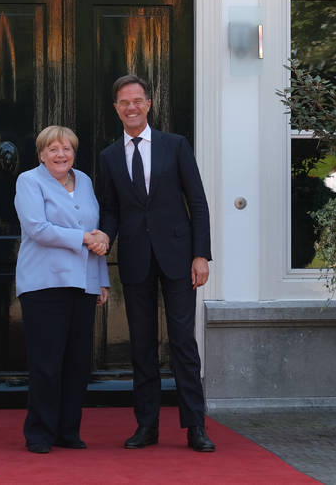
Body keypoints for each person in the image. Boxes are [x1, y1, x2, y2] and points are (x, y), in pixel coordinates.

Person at [97, 74, 215, 453]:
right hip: (134, 260)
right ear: (116, 109)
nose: (131, 107)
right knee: (142, 346)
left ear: (148, 104)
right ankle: (146, 426)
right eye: (124, 102)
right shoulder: (108, 157)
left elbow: (197, 201)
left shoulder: (175, 146)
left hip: (179, 258)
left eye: (137, 100)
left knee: (183, 342)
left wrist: (201, 255)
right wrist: (102, 242)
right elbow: (111, 212)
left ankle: (195, 426)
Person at [14, 125, 111, 454]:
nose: (61, 154)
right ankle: (40, 433)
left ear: (74, 152)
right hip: (44, 283)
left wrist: (101, 279)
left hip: (83, 283)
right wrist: (84, 238)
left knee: (77, 363)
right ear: (41, 154)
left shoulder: (84, 181)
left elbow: (96, 231)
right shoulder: (29, 181)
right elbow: (38, 229)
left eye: (67, 148)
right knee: (47, 362)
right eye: (53, 149)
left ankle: (67, 431)